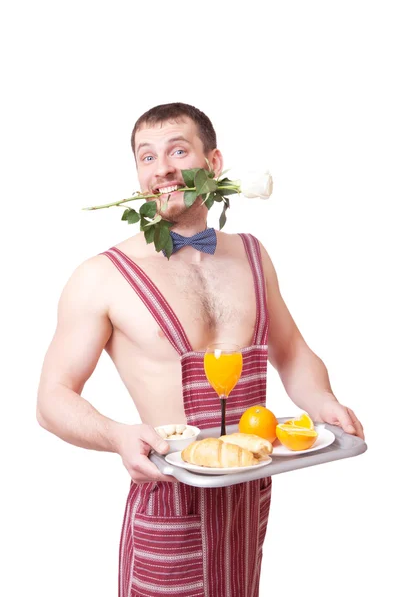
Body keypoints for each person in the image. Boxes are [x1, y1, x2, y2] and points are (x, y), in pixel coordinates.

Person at [37, 102, 365, 597]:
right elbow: (52, 398)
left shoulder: (253, 255)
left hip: (248, 497)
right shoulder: (101, 277)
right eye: (146, 157)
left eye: (178, 150)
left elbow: (292, 351)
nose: (162, 167)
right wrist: (117, 435)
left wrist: (325, 404)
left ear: (213, 164)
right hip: (167, 504)